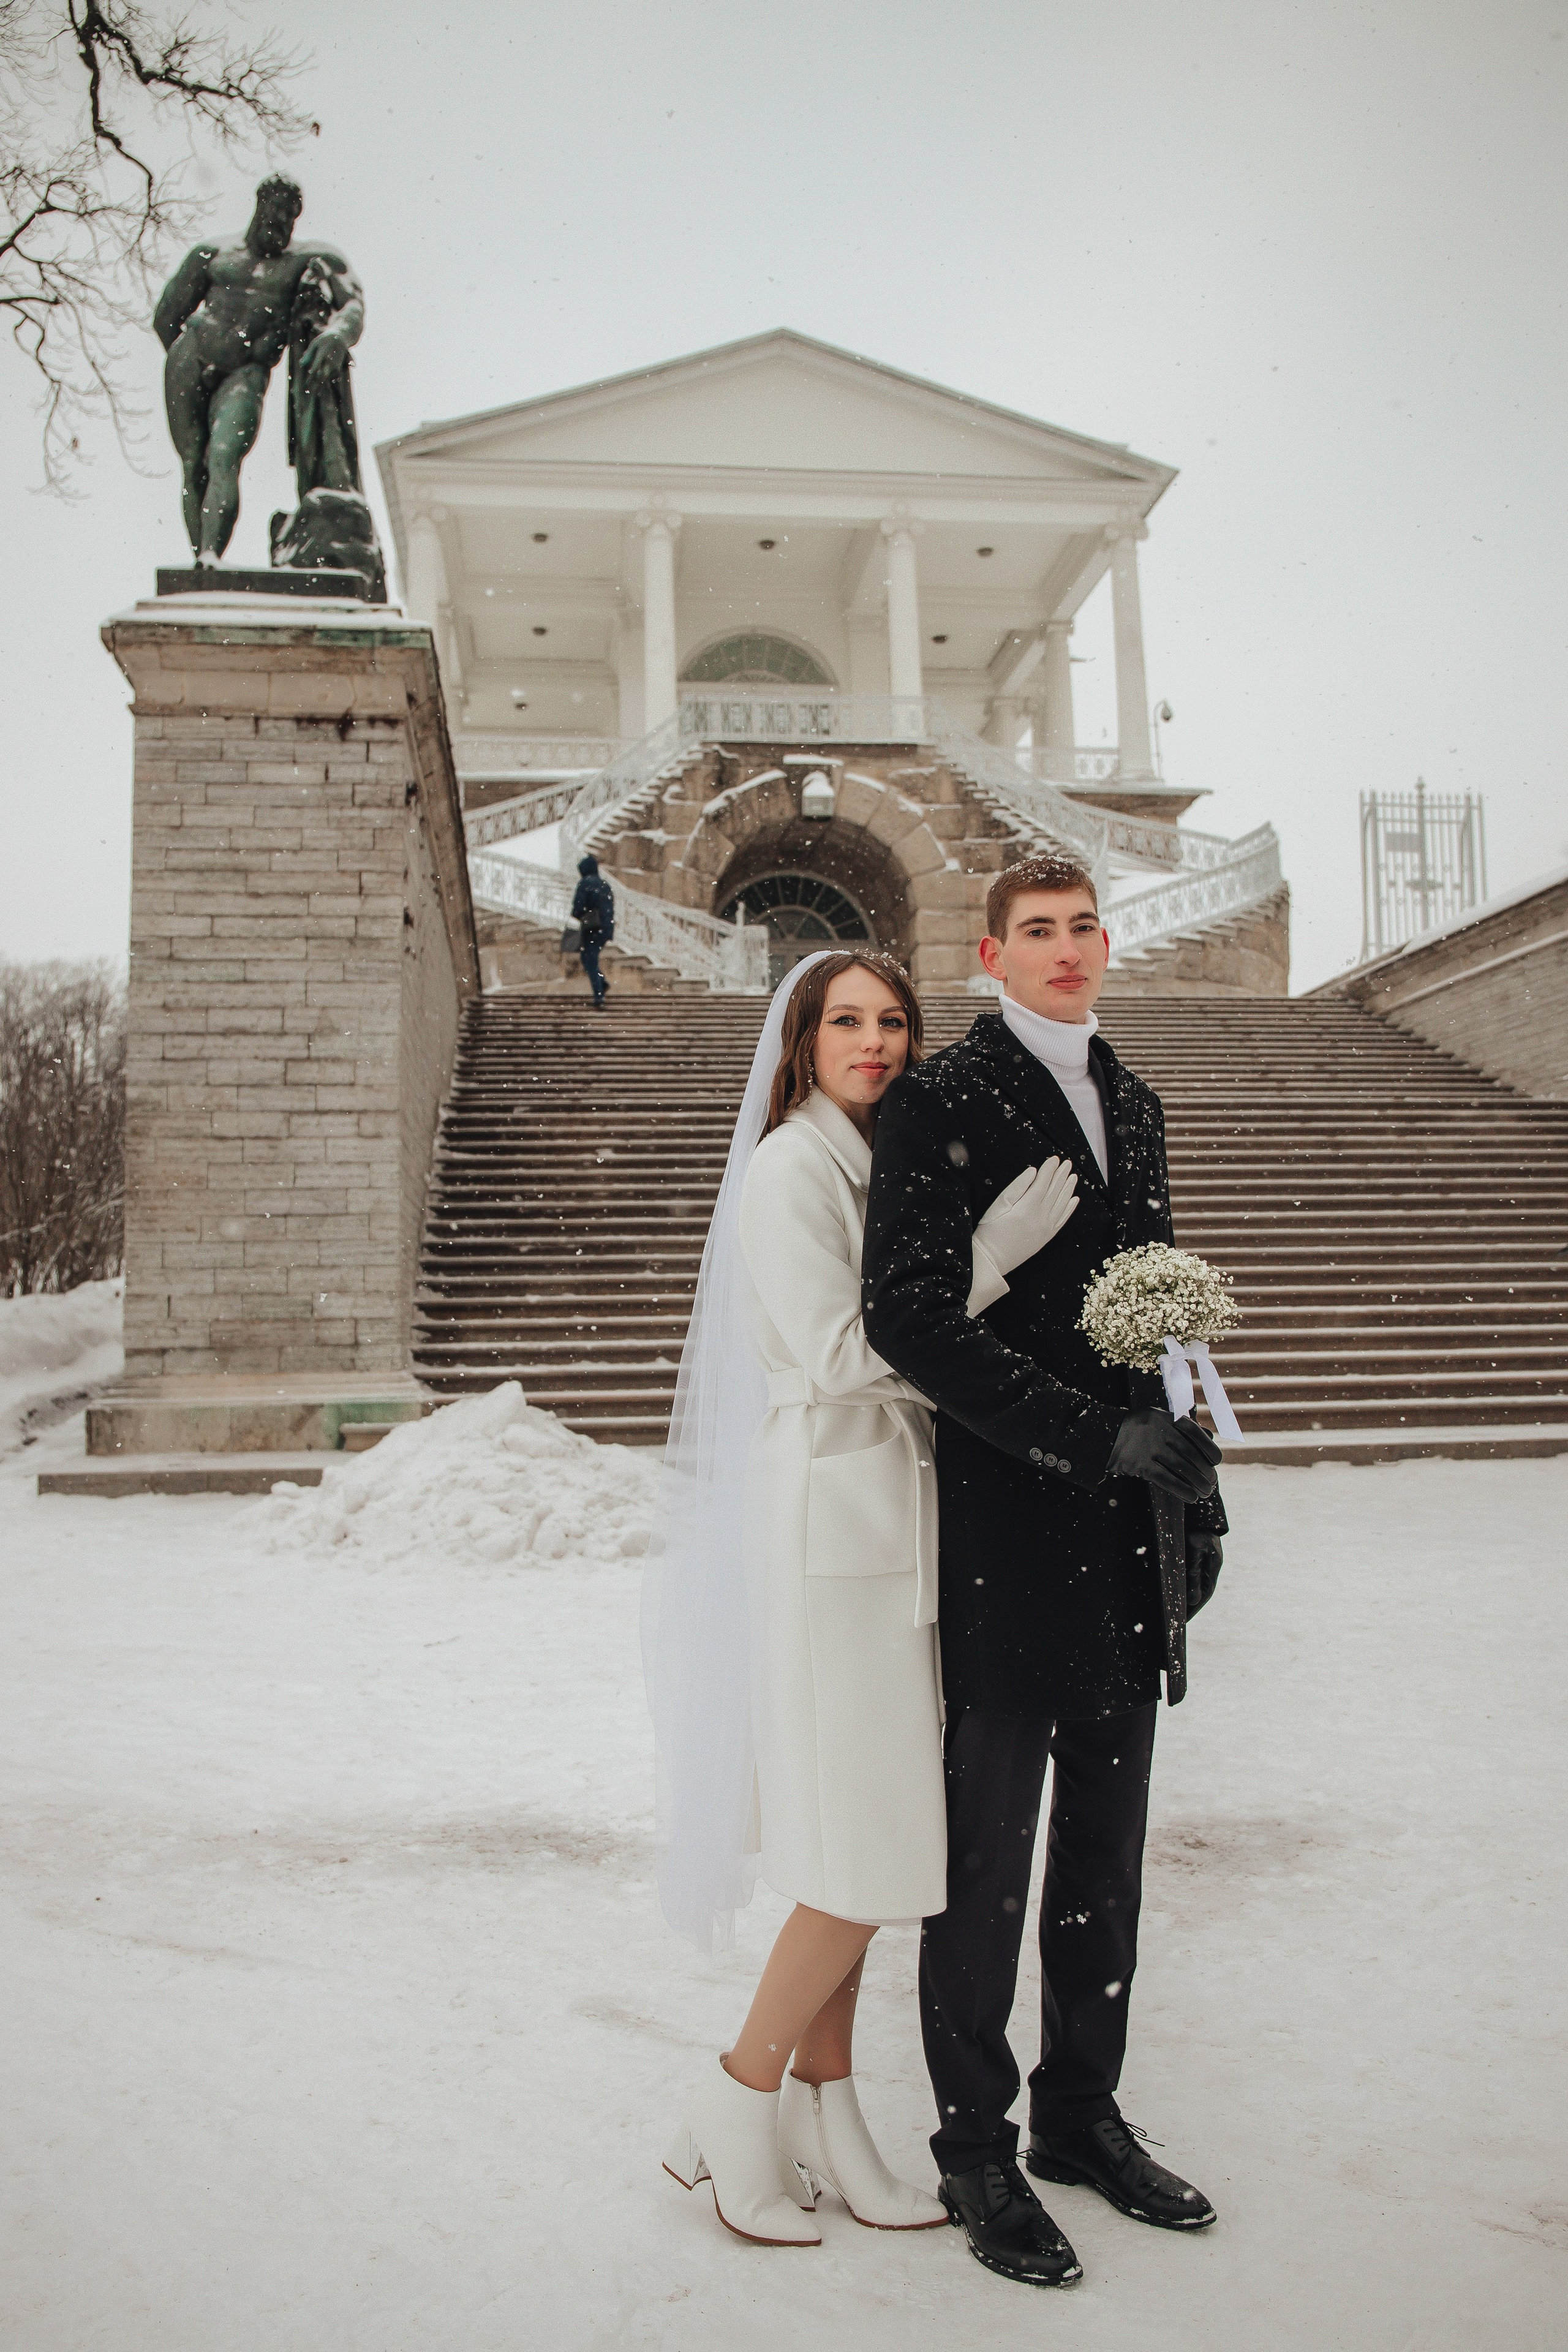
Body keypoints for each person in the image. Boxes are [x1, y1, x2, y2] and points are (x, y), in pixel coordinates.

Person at [646, 949, 1080, 2247]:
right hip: (829, 1523)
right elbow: (842, 1351)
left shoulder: (871, 1158)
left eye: (894, 1021)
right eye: (847, 1020)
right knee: (860, 1859)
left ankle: (829, 2119)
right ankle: (733, 2102)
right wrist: (989, 1263)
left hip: (881, 1520)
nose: (876, 1042)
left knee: (850, 1852)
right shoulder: (790, 1169)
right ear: (801, 1037)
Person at [860, 854, 1227, 2291]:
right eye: (1038, 932)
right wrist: (1094, 1434)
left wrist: (1191, 1472)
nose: (1067, 950)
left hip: (1129, 1528)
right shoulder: (939, 1102)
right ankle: (974, 2145)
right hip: (1009, 1527)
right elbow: (906, 1318)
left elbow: (1159, 1303)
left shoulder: (1131, 1099)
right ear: (987, 953)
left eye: (1084, 927)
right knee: (985, 1859)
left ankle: (1081, 2112)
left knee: (1104, 1849)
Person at [154, 176, 366, 566]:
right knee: (192, 462)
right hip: (190, 360)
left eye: (291, 215)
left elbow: (352, 303)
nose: (283, 221)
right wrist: (194, 356)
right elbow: (167, 315)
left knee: (223, 455)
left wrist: (337, 335)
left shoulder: (308, 258)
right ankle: (198, 563)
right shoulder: (212, 253)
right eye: (277, 210)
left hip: (247, 371)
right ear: (259, 205)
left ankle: (210, 555)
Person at [571, 856, 615, 1007]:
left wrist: (577, 915)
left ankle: (599, 995)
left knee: (589, 959)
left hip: (592, 928)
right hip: (606, 929)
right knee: (590, 958)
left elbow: (578, 906)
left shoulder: (585, 884)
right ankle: (601, 983)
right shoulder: (605, 885)